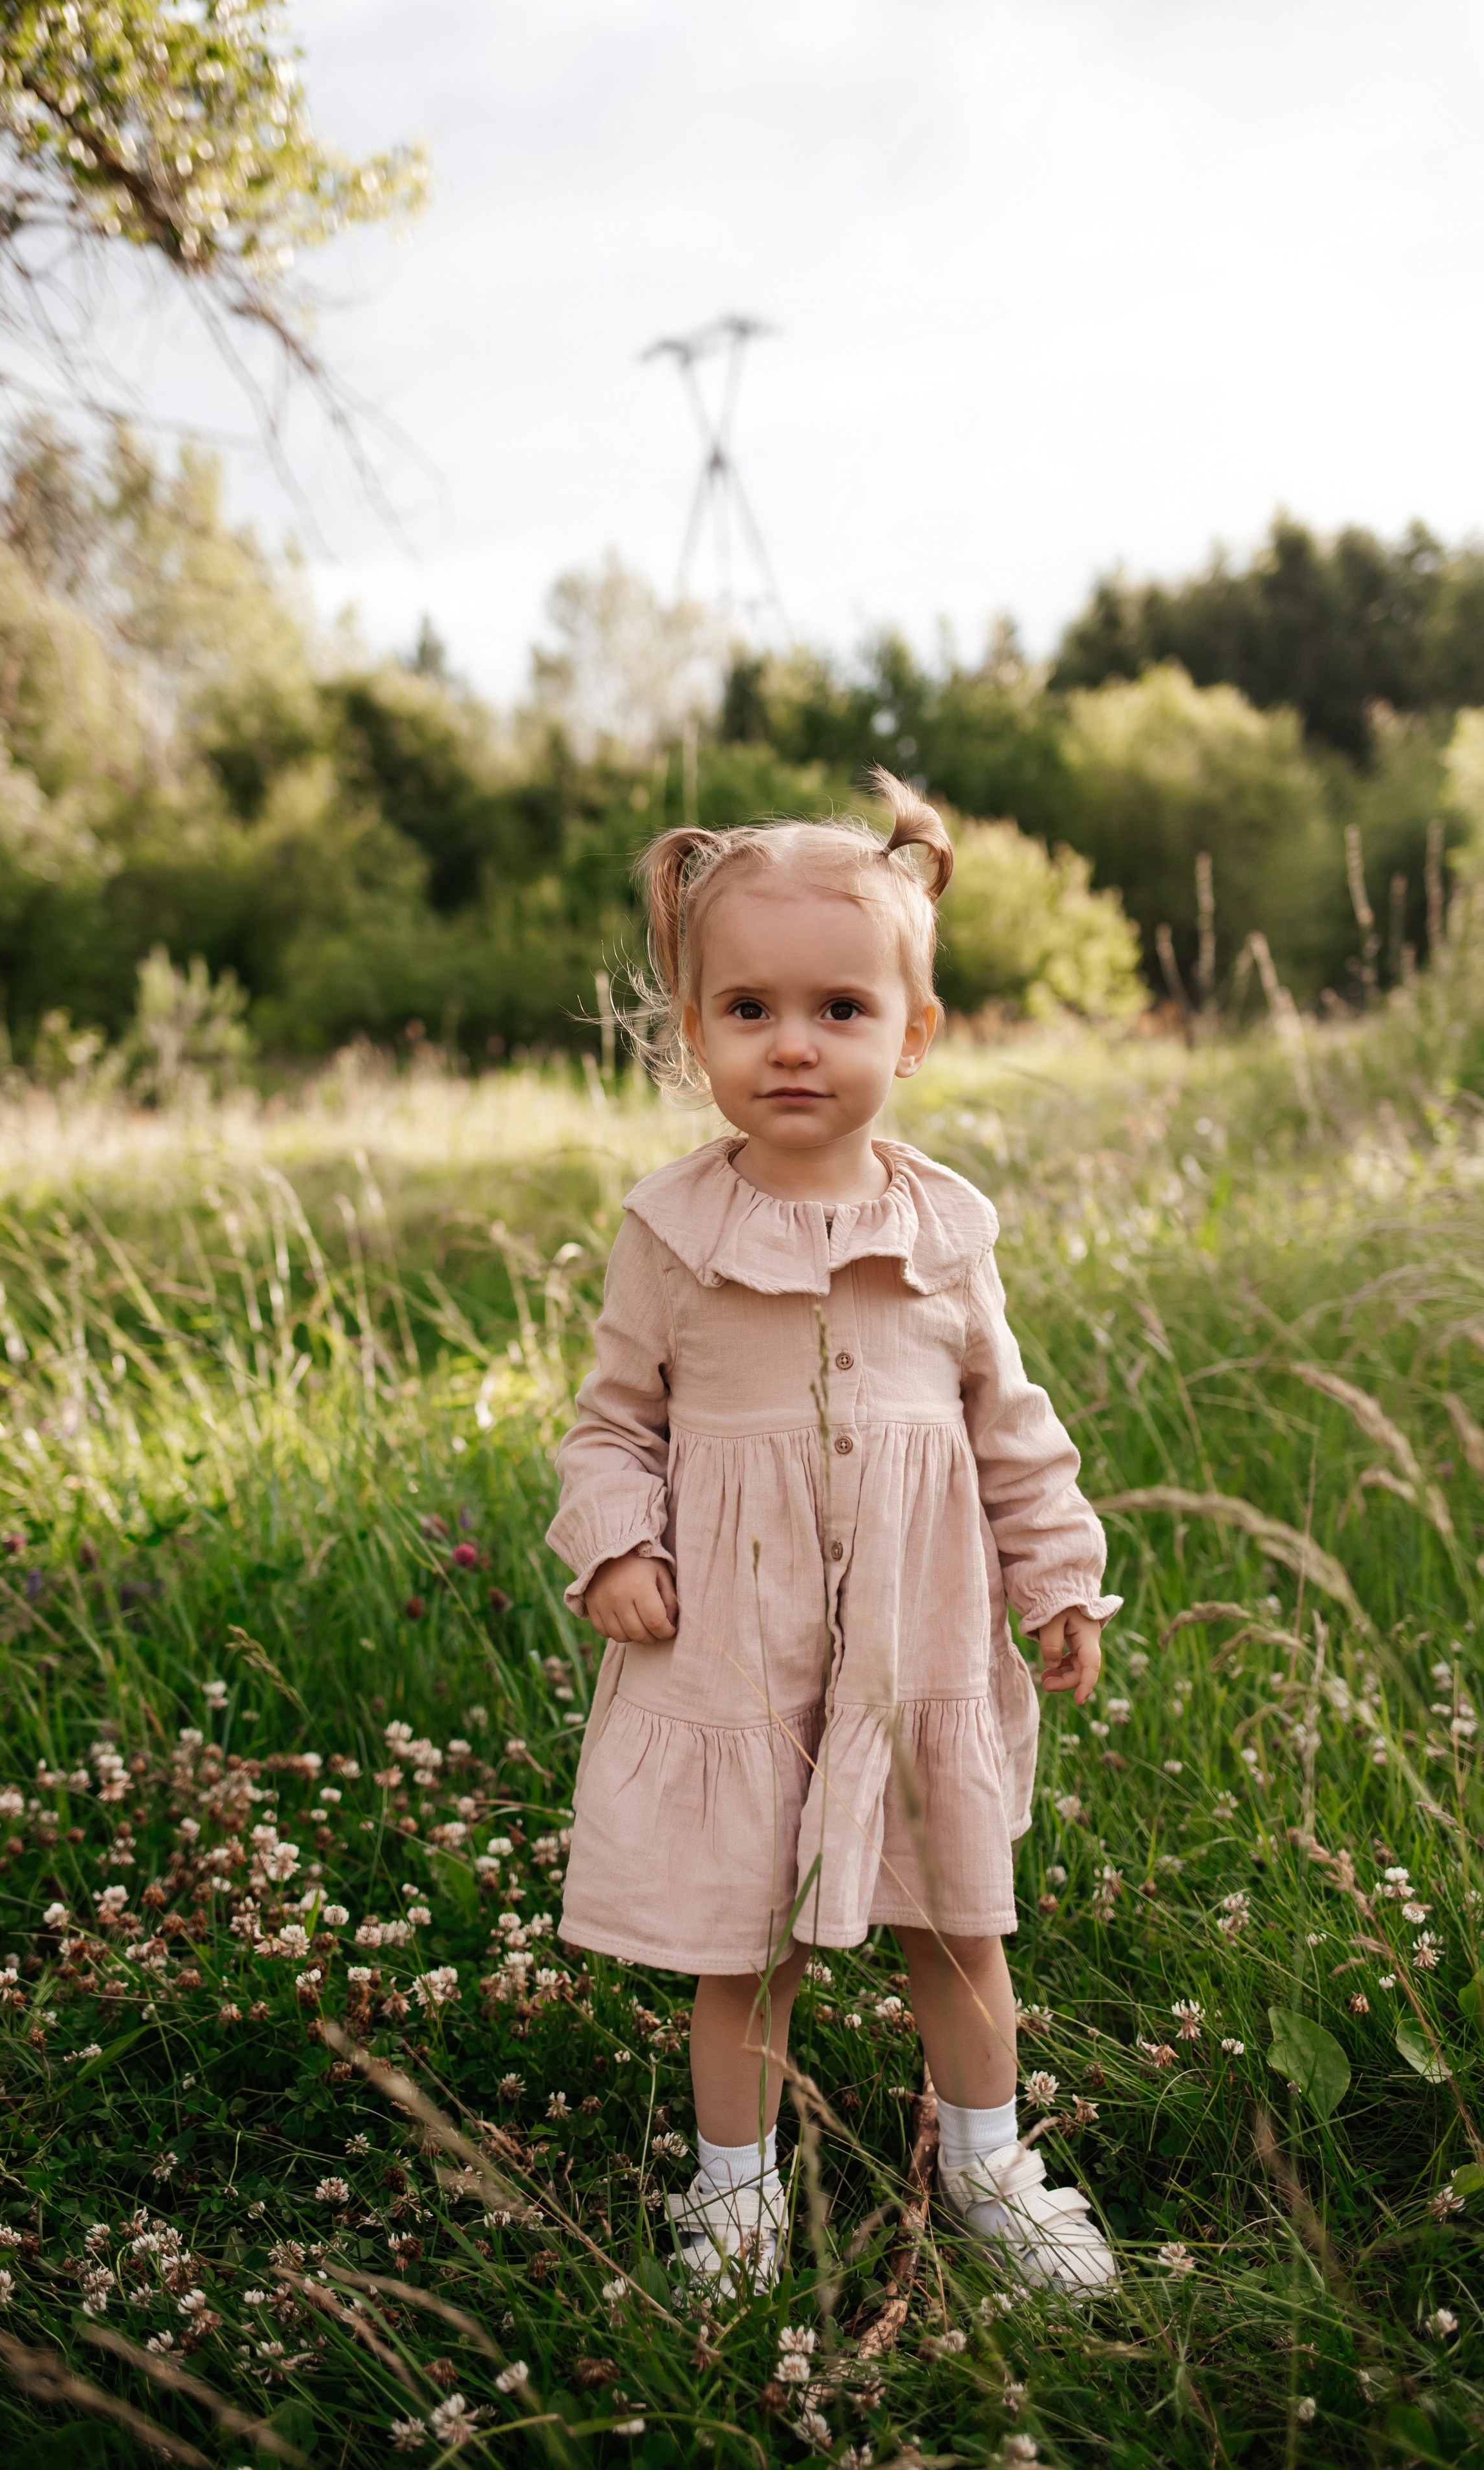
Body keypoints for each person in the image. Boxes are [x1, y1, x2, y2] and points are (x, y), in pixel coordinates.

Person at [545, 769, 1119, 2295]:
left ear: (909, 1034)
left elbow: (1008, 1422)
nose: (791, 1043)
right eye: (748, 1009)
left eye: (838, 1010)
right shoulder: (671, 1232)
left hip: (913, 1644)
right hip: (733, 1649)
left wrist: (1057, 1577)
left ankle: (985, 2165)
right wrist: (615, 1543)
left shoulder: (947, 1231)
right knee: (743, 1943)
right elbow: (610, 1421)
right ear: (695, 1035)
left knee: (955, 1922)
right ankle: (733, 2195)